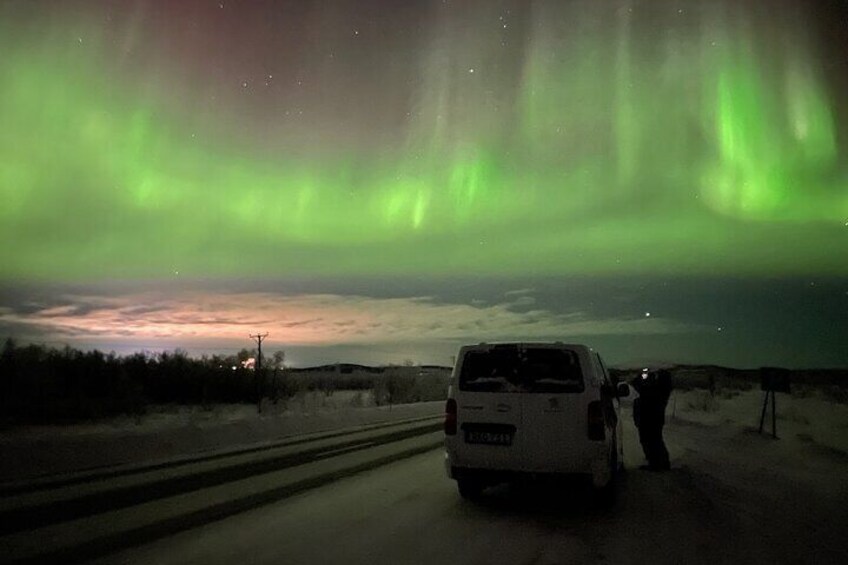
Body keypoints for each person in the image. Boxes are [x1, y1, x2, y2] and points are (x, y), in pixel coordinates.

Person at [631, 369, 672, 471]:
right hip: (653, 418)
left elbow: (638, 385)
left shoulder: (655, 390)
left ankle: (657, 464)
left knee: (651, 441)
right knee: (655, 440)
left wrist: (642, 376)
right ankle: (659, 463)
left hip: (649, 418)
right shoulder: (661, 389)